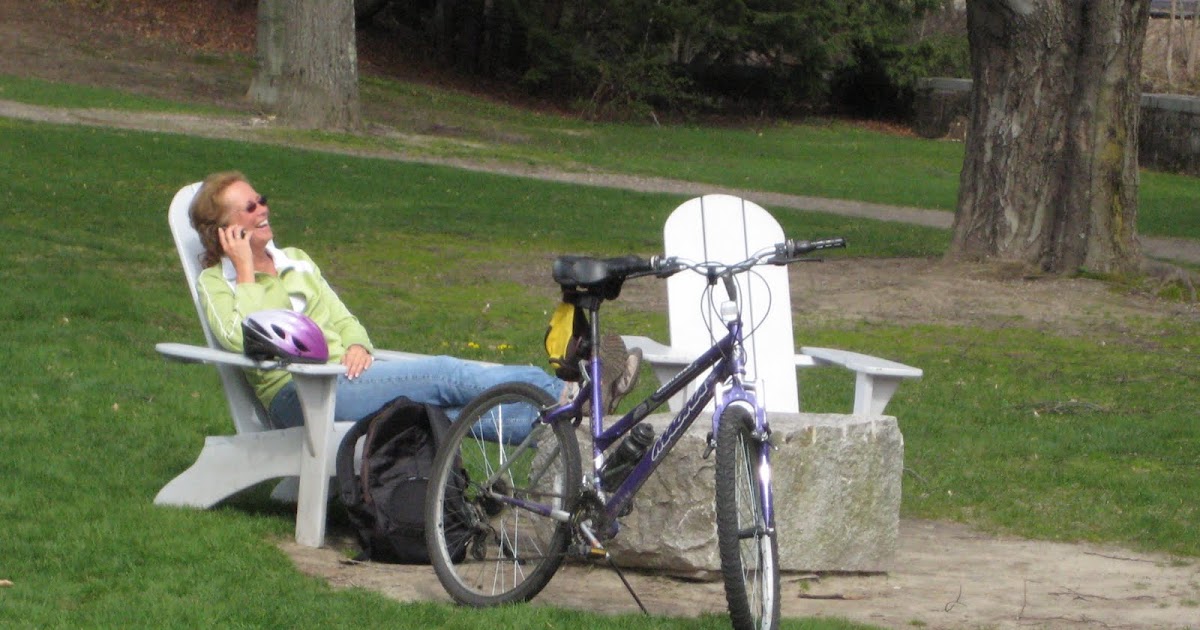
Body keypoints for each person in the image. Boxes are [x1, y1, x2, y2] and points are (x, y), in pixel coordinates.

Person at [188, 171, 640, 435]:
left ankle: (569, 421)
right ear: (226, 230)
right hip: (298, 396)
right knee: (444, 374)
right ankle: (576, 393)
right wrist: (245, 272)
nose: (262, 209)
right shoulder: (218, 282)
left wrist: (358, 345)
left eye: (261, 199)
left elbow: (343, 318)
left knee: (448, 417)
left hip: (346, 377)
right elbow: (243, 340)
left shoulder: (296, 261)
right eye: (248, 209)